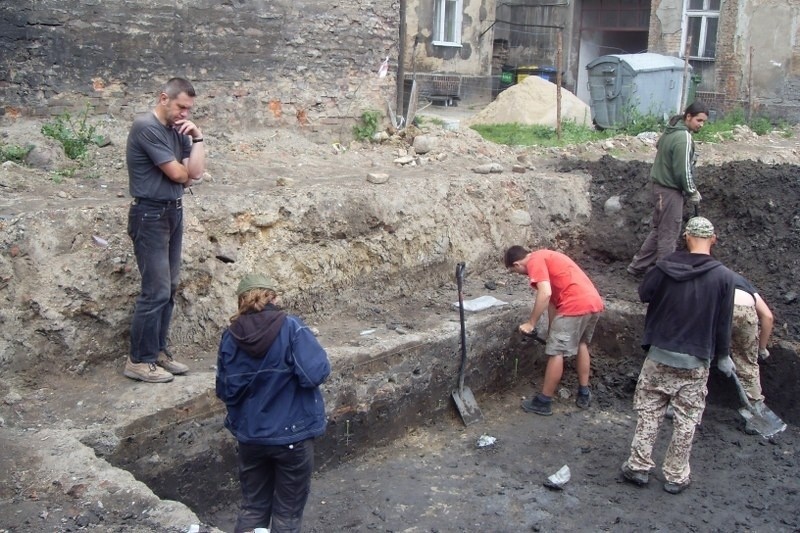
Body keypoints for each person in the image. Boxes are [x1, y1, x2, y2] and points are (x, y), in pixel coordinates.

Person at [621, 216, 737, 495]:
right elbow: (724, 321)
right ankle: (675, 476)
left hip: (660, 353)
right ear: (714, 239)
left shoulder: (665, 266)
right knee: (686, 419)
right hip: (695, 360)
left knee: (649, 410)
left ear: (685, 237)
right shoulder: (724, 277)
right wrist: (723, 355)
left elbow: (643, 294)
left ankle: (638, 466)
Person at [216, 273, 331, 533]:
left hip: (251, 438)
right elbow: (316, 372)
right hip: (292, 436)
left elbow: (225, 390)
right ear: (272, 297)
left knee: (253, 508)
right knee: (287, 515)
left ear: (241, 302)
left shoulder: (230, 337)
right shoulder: (290, 327)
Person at [124, 77, 206, 383]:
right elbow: (177, 172)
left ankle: (157, 352)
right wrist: (183, 173)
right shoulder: (146, 126)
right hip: (149, 215)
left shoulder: (180, 130)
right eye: (181, 106)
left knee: (169, 288)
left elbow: (193, 174)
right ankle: (138, 360)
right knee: (155, 290)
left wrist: (197, 138)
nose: (185, 113)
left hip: (173, 212)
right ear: (164, 98)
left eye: (189, 109)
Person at [504, 246, 605, 416]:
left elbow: (545, 293)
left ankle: (544, 401)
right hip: (592, 302)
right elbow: (552, 301)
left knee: (556, 353)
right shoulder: (547, 256)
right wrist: (553, 330)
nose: (520, 275)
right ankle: (584, 392)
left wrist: (531, 323)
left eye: (515, 271)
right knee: (581, 344)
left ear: (517, 264)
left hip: (574, 304)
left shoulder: (534, 260)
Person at [627, 101, 709, 277]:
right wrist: (692, 191)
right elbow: (683, 170)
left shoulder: (670, 130)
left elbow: (659, 147)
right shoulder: (683, 138)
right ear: (688, 117)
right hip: (670, 190)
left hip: (660, 188)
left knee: (659, 230)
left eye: (703, 122)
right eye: (699, 120)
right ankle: (665, 275)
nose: (701, 125)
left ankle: (637, 266)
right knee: (669, 233)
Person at [730, 273, 774, 408]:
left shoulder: (711, 275)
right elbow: (768, 317)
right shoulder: (743, 282)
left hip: (721, 306)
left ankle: (682, 401)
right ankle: (756, 410)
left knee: (698, 353)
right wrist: (761, 348)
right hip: (746, 312)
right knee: (747, 365)